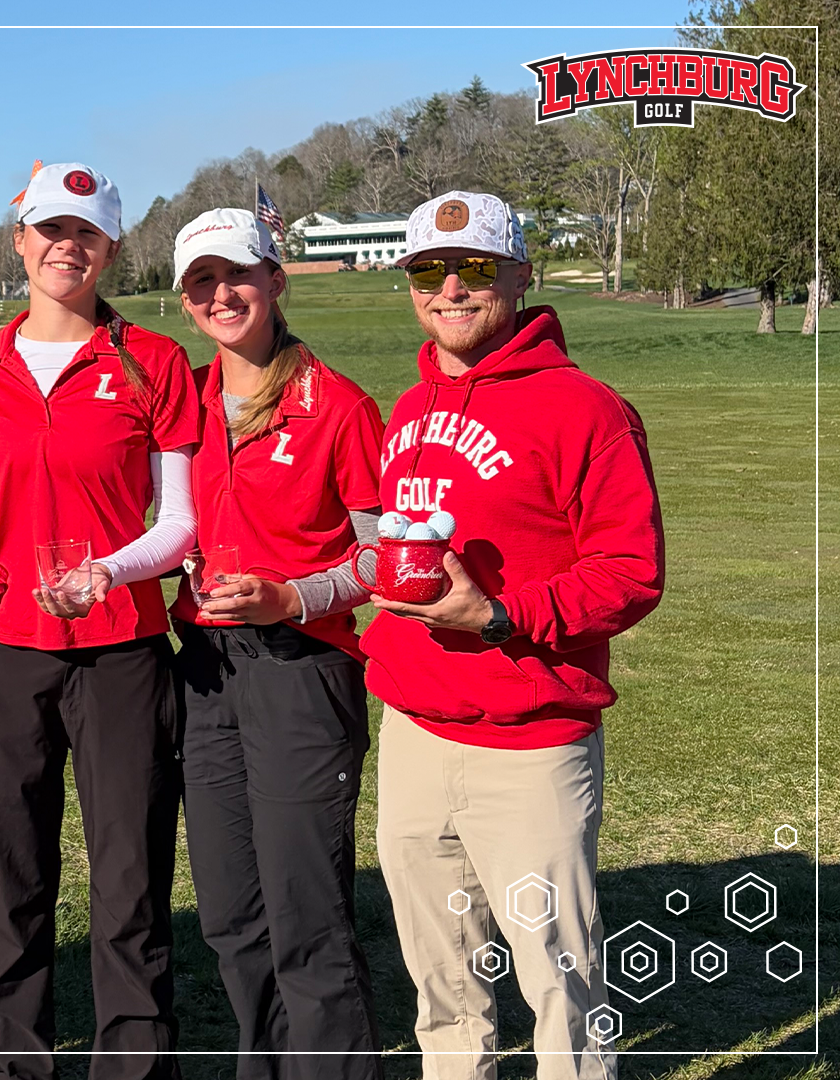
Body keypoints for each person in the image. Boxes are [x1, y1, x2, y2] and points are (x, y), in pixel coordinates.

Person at [367, 191, 664, 1080]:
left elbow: (631, 572)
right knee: (442, 985)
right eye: (427, 270)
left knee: (560, 986)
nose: (450, 288)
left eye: (475, 268)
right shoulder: (409, 407)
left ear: (520, 275)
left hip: (531, 741)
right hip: (415, 732)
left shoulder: (586, 409)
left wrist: (501, 617)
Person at [0, 162, 199, 1080]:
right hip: (0, 649)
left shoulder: (152, 359)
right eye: (50, 230)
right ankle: (11, 1064)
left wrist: (110, 571)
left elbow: (179, 524)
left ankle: (132, 1066)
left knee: (128, 879)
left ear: (111, 249)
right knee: (10, 875)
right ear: (19, 241)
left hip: (121, 650)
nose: (67, 246)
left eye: (86, 233)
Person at [167, 208, 385, 1079]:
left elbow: (382, 559)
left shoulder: (337, 405)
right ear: (185, 301)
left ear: (277, 282)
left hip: (303, 671)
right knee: (230, 914)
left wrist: (293, 595)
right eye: (202, 283)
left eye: (239, 276)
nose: (223, 295)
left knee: (308, 915)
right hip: (206, 675)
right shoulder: (178, 401)